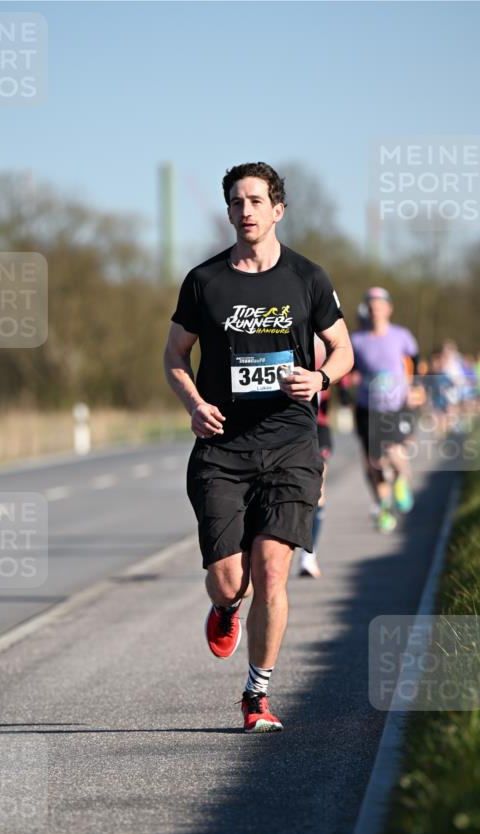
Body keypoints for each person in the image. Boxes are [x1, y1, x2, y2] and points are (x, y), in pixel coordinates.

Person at [164, 162, 354, 732]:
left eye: (255, 201)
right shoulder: (205, 281)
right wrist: (195, 403)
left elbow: (342, 350)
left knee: (272, 569)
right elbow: (175, 356)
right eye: (235, 202)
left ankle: (257, 695)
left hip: (292, 442)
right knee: (231, 579)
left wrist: (320, 380)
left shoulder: (308, 278)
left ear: (278, 209)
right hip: (223, 448)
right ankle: (225, 608)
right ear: (228, 211)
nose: (245, 211)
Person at [350, 287, 419, 534]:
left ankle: (400, 480)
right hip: (367, 407)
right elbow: (347, 370)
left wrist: (415, 387)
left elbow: (416, 362)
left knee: (394, 452)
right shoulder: (356, 340)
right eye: (371, 307)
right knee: (373, 462)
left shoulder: (402, 336)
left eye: (380, 306)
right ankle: (384, 507)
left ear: (389, 309)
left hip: (397, 404)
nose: (375, 311)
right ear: (366, 310)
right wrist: (349, 384)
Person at [298, 335, 332, 579]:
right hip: (288, 424)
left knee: (318, 489)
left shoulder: (326, 337)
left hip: (318, 424)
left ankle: (309, 556)